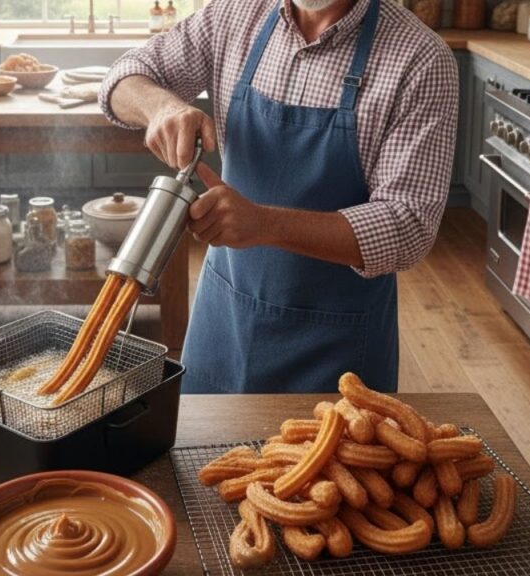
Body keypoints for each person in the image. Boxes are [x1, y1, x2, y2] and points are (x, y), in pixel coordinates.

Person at [100, 0, 458, 393]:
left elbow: (407, 227)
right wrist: (161, 107)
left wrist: (264, 224)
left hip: (338, 349)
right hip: (224, 324)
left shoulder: (422, 58)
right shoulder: (235, 14)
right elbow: (122, 77)